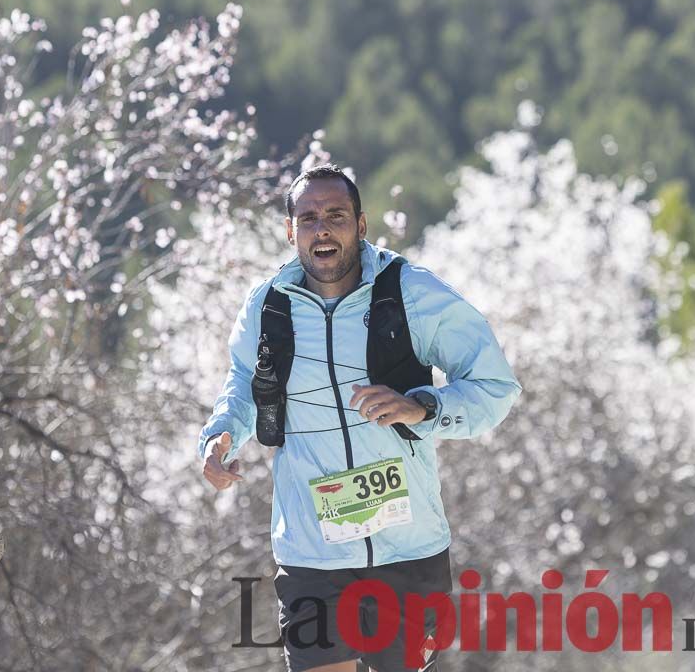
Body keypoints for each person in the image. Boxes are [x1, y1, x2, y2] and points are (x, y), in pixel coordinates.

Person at [198, 164, 522, 672]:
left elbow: (494, 387)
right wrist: (220, 436)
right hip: (313, 551)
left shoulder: (411, 293)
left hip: (408, 549)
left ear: (362, 224)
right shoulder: (269, 308)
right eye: (308, 218)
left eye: (335, 215)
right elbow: (242, 384)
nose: (321, 228)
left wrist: (424, 408)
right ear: (290, 232)